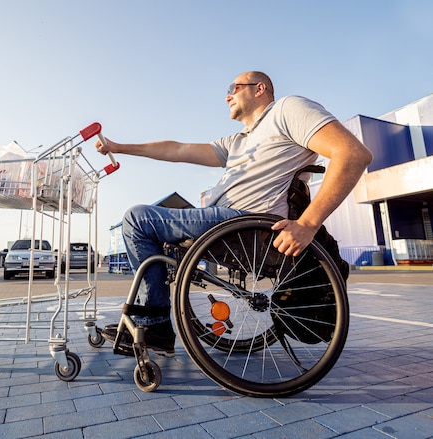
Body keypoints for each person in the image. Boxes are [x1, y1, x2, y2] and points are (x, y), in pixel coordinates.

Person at [96, 71, 373, 357]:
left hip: (246, 226)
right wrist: (118, 148)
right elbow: (177, 149)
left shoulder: (287, 109)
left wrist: (308, 224)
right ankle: (154, 325)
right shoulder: (238, 141)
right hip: (224, 223)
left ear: (259, 89)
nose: (227, 95)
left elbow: (352, 153)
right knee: (152, 226)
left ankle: (154, 326)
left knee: (138, 219)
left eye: (234, 87)